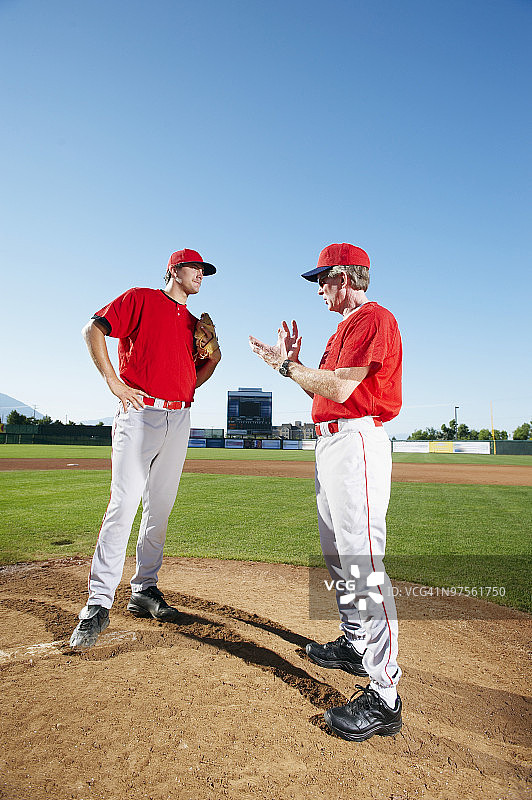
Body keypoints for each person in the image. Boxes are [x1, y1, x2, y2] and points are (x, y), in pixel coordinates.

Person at [249, 242, 403, 742]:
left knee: (361, 559)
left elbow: (339, 392)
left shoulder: (374, 319)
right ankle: (356, 644)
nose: (318, 289)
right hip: (331, 443)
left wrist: (284, 367)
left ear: (344, 276)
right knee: (337, 552)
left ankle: (384, 696)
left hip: (357, 438)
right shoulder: (341, 330)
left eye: (322, 279)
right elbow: (320, 387)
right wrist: (289, 364)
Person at [70, 248, 221, 649]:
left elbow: (195, 375)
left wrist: (214, 357)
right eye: (194, 268)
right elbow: (93, 329)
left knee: (160, 508)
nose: (201, 275)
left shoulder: (193, 323)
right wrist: (113, 382)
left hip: (180, 417)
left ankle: (144, 589)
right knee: (124, 505)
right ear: (174, 270)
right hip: (141, 413)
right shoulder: (140, 298)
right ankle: (98, 603)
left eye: (204, 271)